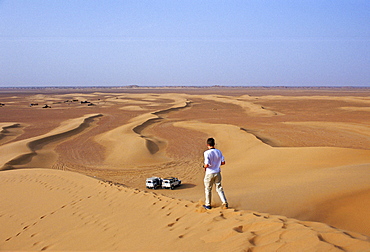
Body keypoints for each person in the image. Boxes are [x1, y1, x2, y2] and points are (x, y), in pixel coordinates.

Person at [203, 137, 228, 210]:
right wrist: (216, 164)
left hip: (209, 173)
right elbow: (223, 162)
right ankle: (224, 202)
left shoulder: (206, 153)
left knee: (208, 189)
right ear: (214, 144)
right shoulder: (219, 152)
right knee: (219, 188)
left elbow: (207, 164)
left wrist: (203, 166)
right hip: (217, 172)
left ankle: (208, 205)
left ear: (207, 145)